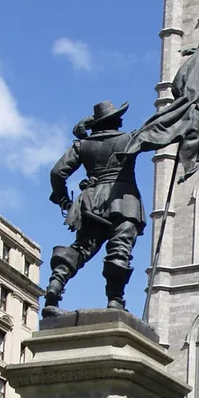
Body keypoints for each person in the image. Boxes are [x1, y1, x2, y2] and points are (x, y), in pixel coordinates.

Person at [42, 99, 142, 316]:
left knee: (82, 247)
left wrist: (63, 200)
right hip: (123, 200)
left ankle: (55, 284)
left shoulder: (82, 145)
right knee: (120, 249)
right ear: (115, 120)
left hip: (91, 202)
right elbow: (161, 133)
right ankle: (115, 300)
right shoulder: (130, 138)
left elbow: (56, 173)